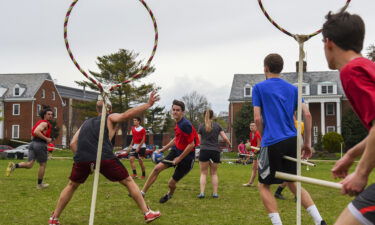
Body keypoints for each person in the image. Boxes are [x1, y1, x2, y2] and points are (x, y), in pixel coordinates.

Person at [48, 91, 161, 225]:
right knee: (128, 181)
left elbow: (73, 143)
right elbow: (126, 115)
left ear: (97, 110)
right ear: (109, 109)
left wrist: (84, 160)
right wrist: (148, 104)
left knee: (72, 185)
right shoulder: (109, 117)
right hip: (104, 157)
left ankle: (54, 218)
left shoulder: (85, 123)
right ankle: (147, 213)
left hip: (82, 158)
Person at [254, 53, 326, 225]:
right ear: (281, 69)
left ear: (265, 68)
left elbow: (257, 119)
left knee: (263, 185)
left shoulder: (259, 88)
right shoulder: (293, 89)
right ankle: (319, 221)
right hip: (292, 140)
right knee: (293, 183)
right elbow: (307, 115)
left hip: (272, 141)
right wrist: (307, 144)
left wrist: (265, 138)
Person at [322, 10, 375, 225]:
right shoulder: (367, 67)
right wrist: (351, 155)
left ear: (328, 43)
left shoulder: (352, 71)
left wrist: (361, 173)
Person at [141, 100, 199, 204]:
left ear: (183, 112)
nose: (175, 112)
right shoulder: (178, 123)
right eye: (174, 110)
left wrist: (179, 158)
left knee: (171, 184)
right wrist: (163, 149)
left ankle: (169, 194)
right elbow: (176, 139)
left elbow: (192, 145)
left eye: (178, 110)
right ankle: (142, 193)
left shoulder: (186, 124)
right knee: (156, 168)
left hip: (187, 158)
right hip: (176, 151)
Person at [6, 107, 54, 189]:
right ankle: (39, 184)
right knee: (43, 165)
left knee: (29, 164)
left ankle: (14, 166)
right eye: (48, 114)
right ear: (44, 115)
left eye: (51, 114)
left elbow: (35, 132)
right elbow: (36, 132)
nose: (50, 116)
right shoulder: (44, 123)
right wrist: (47, 139)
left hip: (32, 144)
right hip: (39, 145)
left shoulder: (40, 122)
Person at [197, 109, 231, 198]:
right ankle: (215, 193)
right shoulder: (217, 126)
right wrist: (229, 144)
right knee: (214, 173)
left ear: (204, 116)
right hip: (215, 151)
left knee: (203, 173)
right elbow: (225, 138)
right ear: (213, 116)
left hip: (204, 151)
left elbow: (198, 140)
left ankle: (202, 193)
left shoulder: (201, 126)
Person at [274, 119, 304, 200]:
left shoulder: (299, 124)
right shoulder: (286, 124)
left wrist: (300, 153)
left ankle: (278, 192)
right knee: (292, 176)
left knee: (290, 176)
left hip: (294, 149)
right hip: (291, 149)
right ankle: (296, 195)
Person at [243, 122, 261, 187]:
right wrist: (248, 147)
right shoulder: (251, 134)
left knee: (260, 168)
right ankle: (250, 183)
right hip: (255, 152)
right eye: (250, 125)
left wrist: (254, 152)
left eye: (253, 126)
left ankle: (262, 183)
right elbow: (252, 144)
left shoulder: (257, 133)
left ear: (256, 127)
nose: (251, 127)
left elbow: (259, 145)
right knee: (254, 168)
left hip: (260, 152)